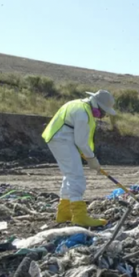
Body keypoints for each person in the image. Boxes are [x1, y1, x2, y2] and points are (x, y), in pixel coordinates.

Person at [42, 90, 118, 227]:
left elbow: (79, 139)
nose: (103, 115)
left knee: (70, 175)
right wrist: (92, 159)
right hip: (62, 140)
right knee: (76, 177)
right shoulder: (83, 114)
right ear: (97, 106)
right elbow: (81, 142)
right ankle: (79, 216)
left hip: (61, 138)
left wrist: (88, 156)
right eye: (103, 112)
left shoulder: (79, 105)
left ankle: (64, 213)